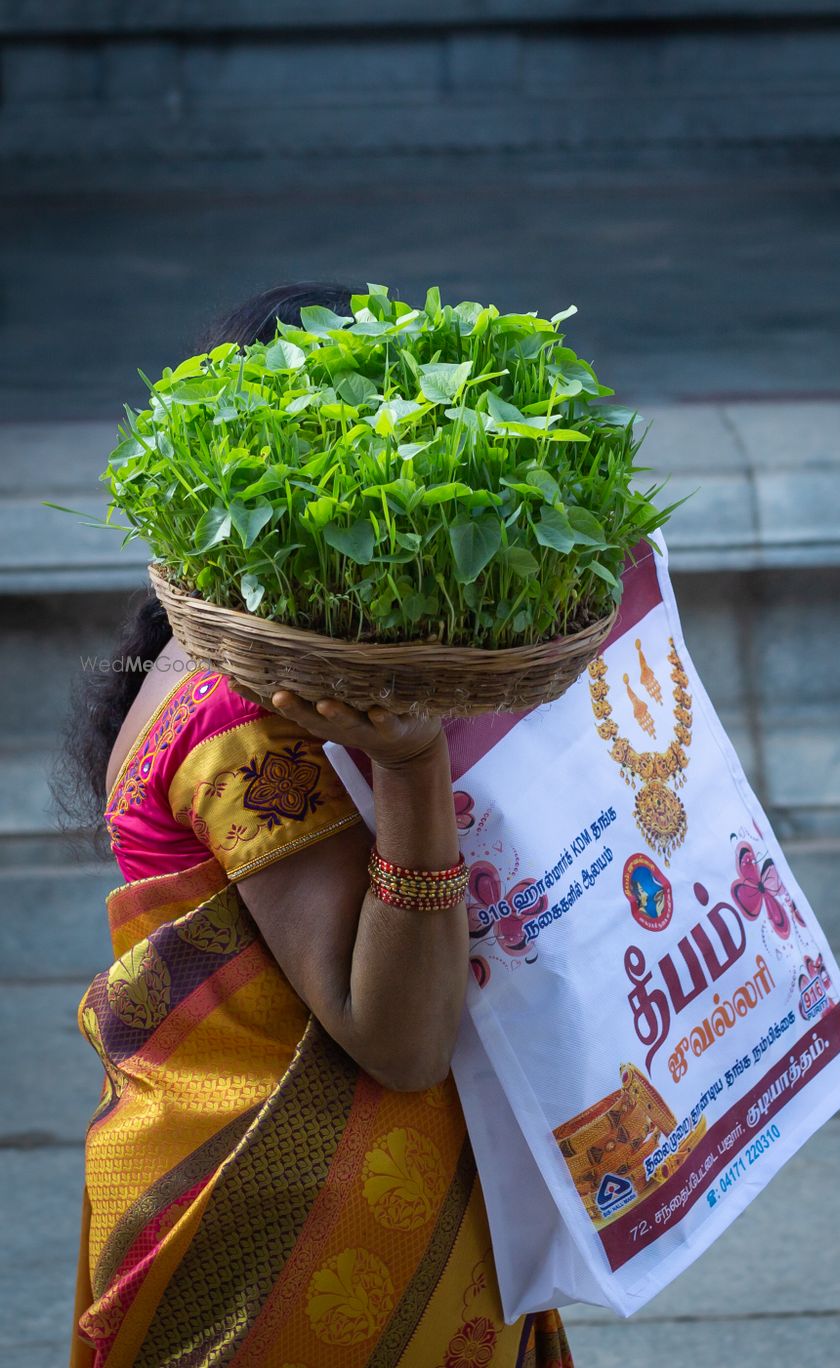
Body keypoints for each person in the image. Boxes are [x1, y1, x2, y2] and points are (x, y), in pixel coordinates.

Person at [62, 282, 574, 1367]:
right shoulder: (263, 712)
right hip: (294, 1233)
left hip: (248, 1193)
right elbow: (396, 1040)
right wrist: (414, 766)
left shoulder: (215, 650)